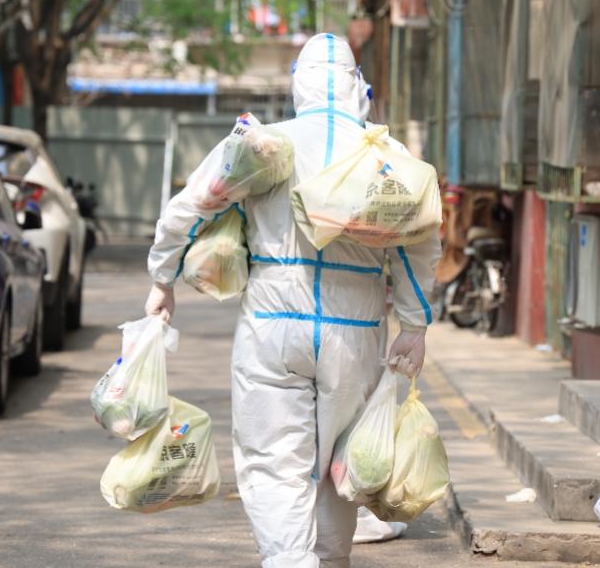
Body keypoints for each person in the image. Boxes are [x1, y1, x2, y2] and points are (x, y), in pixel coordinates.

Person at [145, 33, 441, 568]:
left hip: (273, 325)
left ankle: (290, 561)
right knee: (338, 463)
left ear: (296, 87)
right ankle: (328, 560)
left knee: (275, 461)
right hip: (355, 332)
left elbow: (192, 208)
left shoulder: (265, 144)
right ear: (359, 88)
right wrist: (416, 325)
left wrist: (162, 278)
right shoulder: (388, 158)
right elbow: (420, 243)